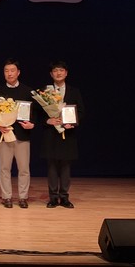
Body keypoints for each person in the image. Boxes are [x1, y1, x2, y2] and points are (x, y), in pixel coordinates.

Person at [0, 57, 37, 209]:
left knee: (24, 169)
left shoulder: (28, 91)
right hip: (4, 135)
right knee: (5, 168)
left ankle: (23, 197)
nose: (9, 74)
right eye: (6, 71)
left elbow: (35, 113)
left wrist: (32, 124)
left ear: (18, 72)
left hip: (22, 135)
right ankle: (7, 197)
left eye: (12, 71)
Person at [41, 60, 84, 209]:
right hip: (51, 134)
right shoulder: (45, 92)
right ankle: (53, 197)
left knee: (66, 167)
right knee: (52, 167)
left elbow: (81, 111)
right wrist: (48, 120)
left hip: (68, 133)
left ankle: (64, 197)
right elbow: (38, 113)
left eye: (61, 70)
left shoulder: (74, 91)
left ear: (66, 73)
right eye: (55, 70)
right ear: (51, 74)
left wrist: (72, 122)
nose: (58, 73)